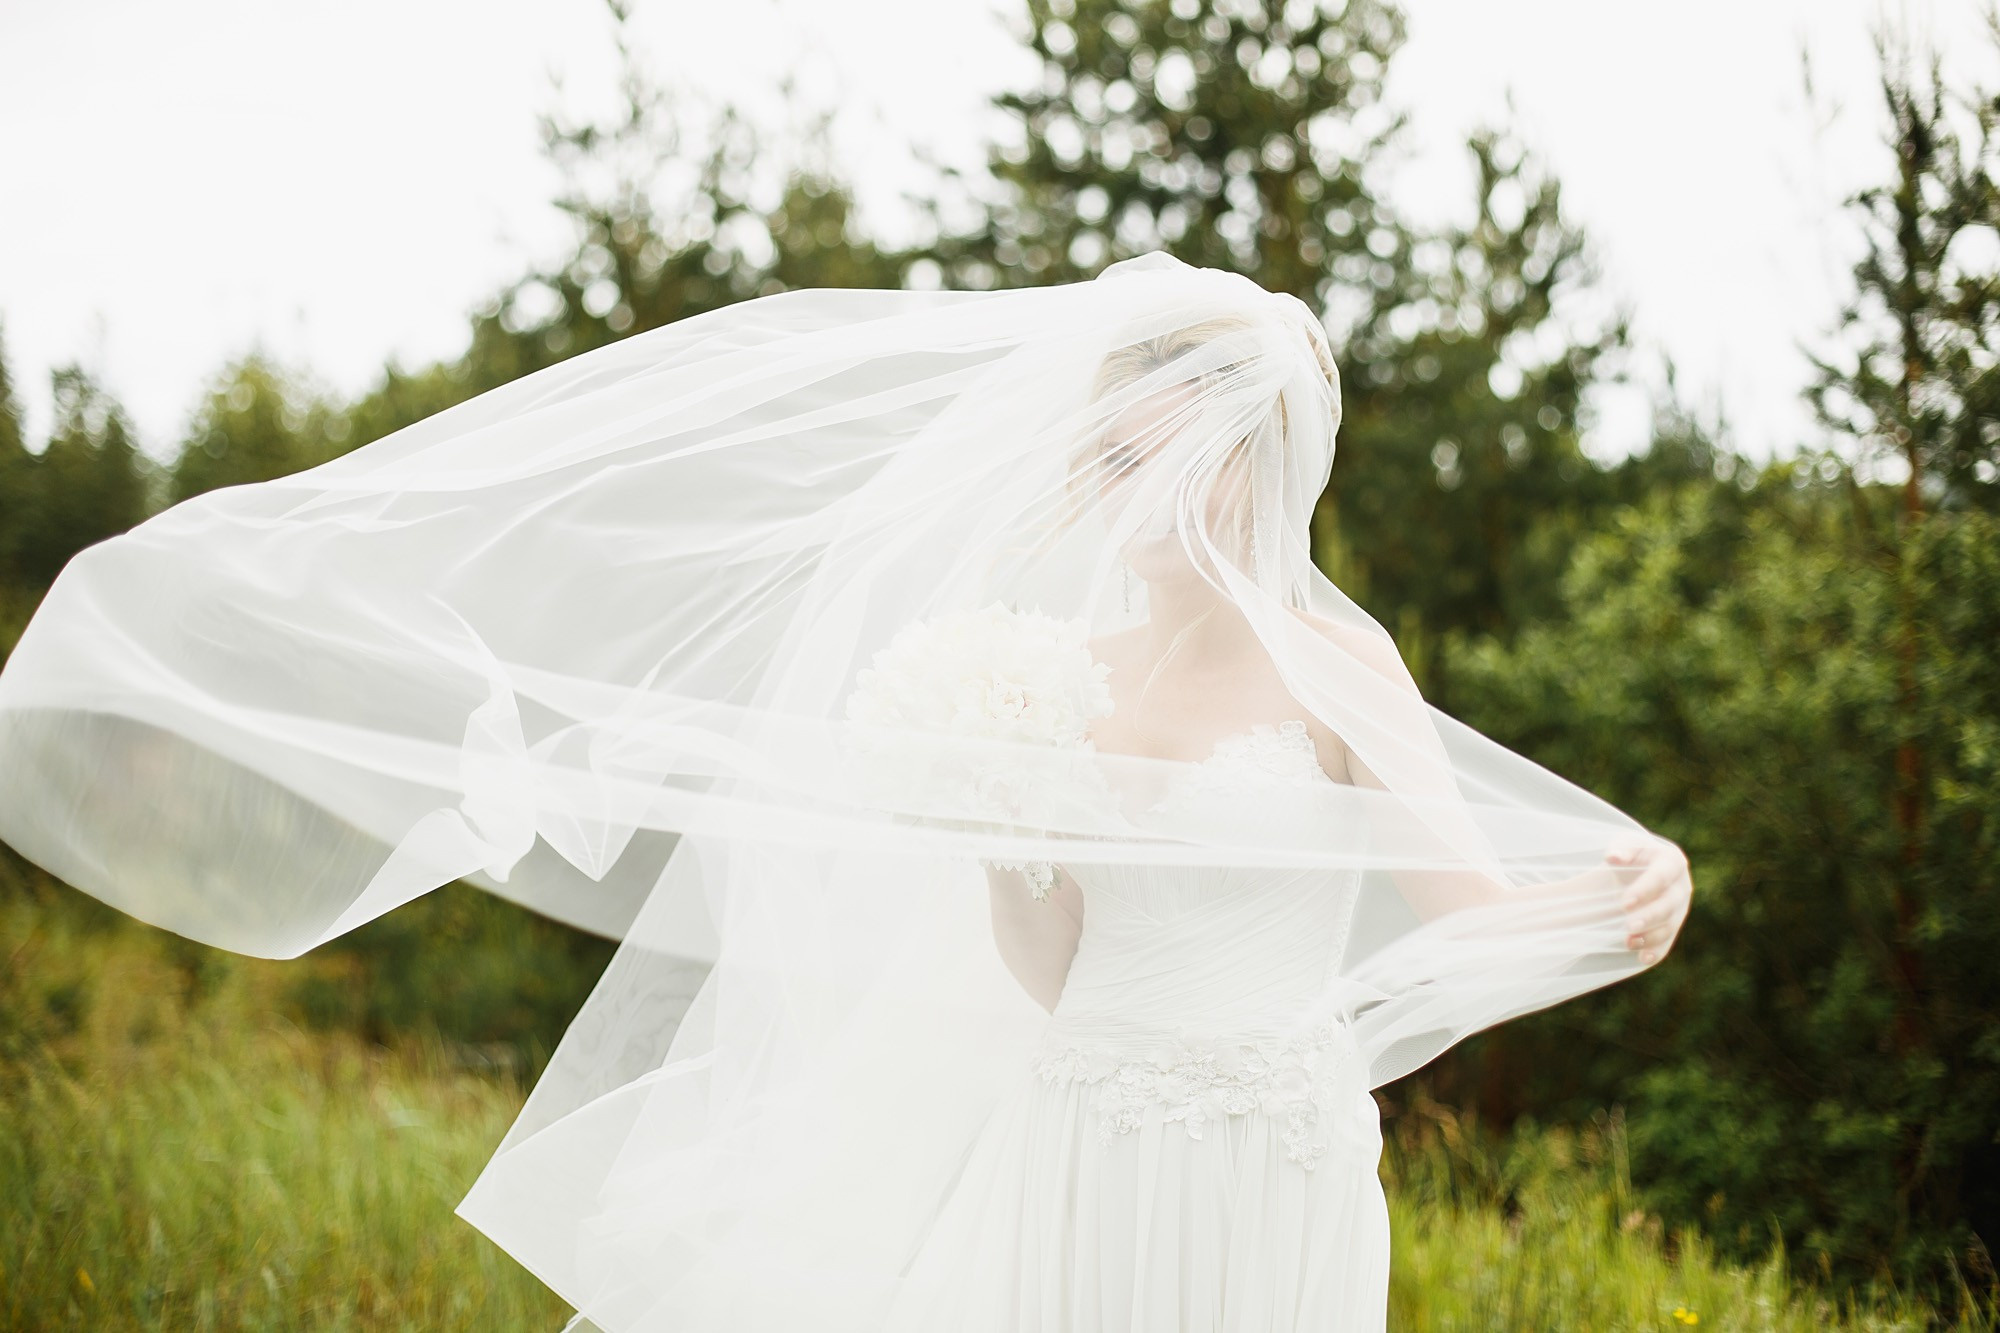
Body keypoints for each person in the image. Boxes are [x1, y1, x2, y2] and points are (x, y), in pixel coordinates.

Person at [0, 251, 1691, 1331]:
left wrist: (1638, 887)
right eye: (1100, 458)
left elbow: (1476, 908)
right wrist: (992, 839)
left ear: (1241, 460)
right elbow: (1049, 963)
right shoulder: (1065, 674)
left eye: (1143, 457)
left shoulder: (1342, 672)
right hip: (1076, 1132)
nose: (1112, 492)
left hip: (1274, 1158)